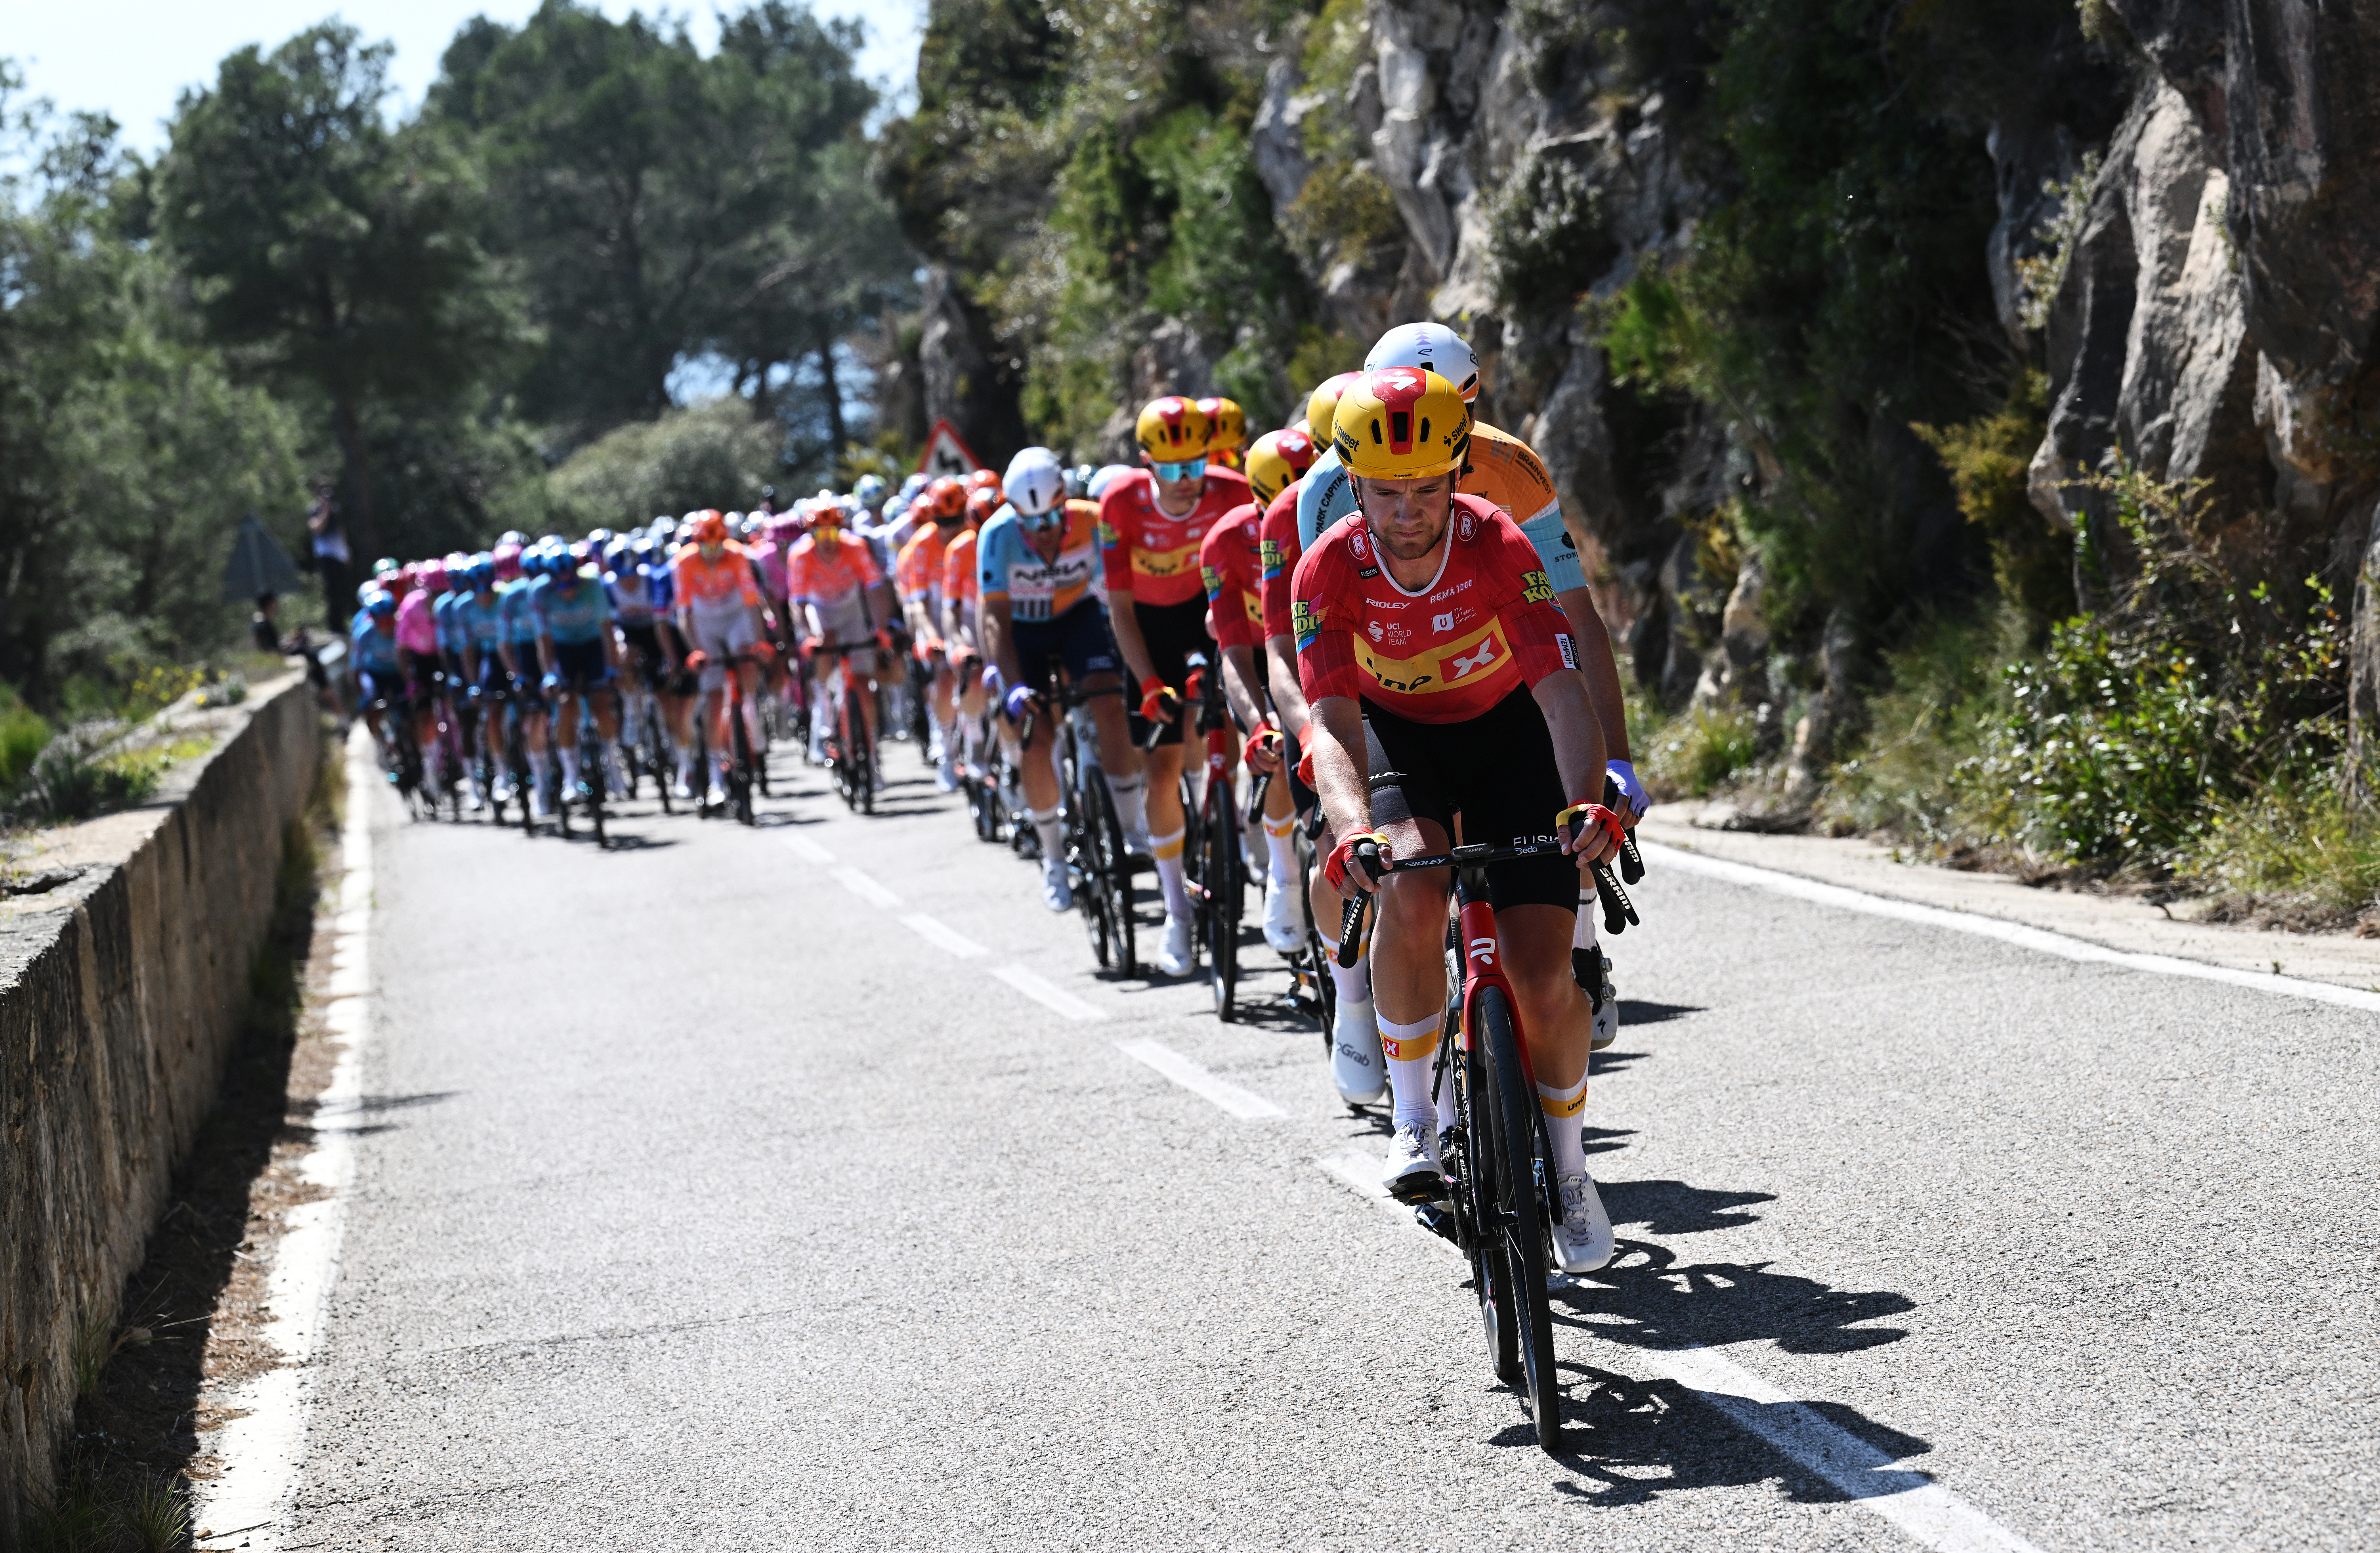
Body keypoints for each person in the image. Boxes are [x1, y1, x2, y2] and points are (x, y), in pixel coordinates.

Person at [1293, 366, 1625, 1273]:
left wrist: (1585, 801)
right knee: (1410, 876)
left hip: (1509, 732)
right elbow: (1330, 724)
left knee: (1543, 975)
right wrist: (1351, 826)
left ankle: (1567, 1169)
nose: (1409, 510)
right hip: (1404, 741)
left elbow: (1561, 692)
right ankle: (1412, 1121)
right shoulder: (1328, 567)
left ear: (1456, 476)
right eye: (1386, 492)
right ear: (1352, 487)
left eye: (1429, 489)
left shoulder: (1497, 543)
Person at [1098, 395, 1255, 976]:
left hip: (1209, 611)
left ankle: (1235, 828)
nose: (1189, 481)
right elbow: (1118, 608)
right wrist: (1145, 681)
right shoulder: (1118, 505)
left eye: (1196, 464)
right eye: (1173, 469)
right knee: (1160, 767)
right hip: (1148, 627)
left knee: (1225, 725)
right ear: (1146, 464)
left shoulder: (1230, 488)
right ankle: (1176, 913)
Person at [980, 447, 1137, 912]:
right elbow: (994, 622)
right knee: (1035, 736)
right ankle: (1053, 857)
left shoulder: (1095, 519)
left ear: (1065, 502)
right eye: (1031, 523)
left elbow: (1122, 593)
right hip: (1022, 632)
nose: (1044, 531)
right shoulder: (996, 536)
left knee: (1109, 701)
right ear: (1014, 514)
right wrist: (1014, 688)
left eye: (1052, 518)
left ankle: (1131, 831)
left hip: (1077, 617)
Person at [1201, 427, 1316, 956]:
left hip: (1320, 649)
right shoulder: (1224, 542)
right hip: (1260, 658)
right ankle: (1285, 876)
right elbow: (1232, 652)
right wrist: (1257, 725)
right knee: (1276, 753)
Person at [785, 499, 894, 785]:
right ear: (812, 535)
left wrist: (880, 629)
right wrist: (808, 636)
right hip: (819, 609)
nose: (828, 540)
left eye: (833, 533)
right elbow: (797, 604)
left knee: (862, 683)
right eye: (821, 534)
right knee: (825, 642)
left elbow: (875, 590)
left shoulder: (855, 547)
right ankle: (824, 710)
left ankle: (871, 755)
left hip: (851, 609)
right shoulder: (800, 555)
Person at [671, 511, 770, 806]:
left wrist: (760, 643)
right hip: (705, 622)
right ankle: (716, 776)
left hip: (735, 615)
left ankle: (749, 710)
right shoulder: (683, 562)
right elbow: (684, 615)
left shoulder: (739, 555)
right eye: (706, 547)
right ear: (696, 543)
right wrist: (695, 651)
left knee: (745, 656)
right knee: (714, 699)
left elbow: (753, 605)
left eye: (718, 547)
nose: (713, 554)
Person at [533, 540, 624, 801]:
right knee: (565, 704)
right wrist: (549, 674)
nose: (569, 593)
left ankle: (613, 764)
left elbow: (607, 630)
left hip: (593, 645)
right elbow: (544, 641)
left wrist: (612, 669)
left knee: (601, 704)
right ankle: (571, 778)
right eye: (562, 588)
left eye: (572, 585)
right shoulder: (539, 594)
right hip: (563, 649)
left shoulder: (593, 585)